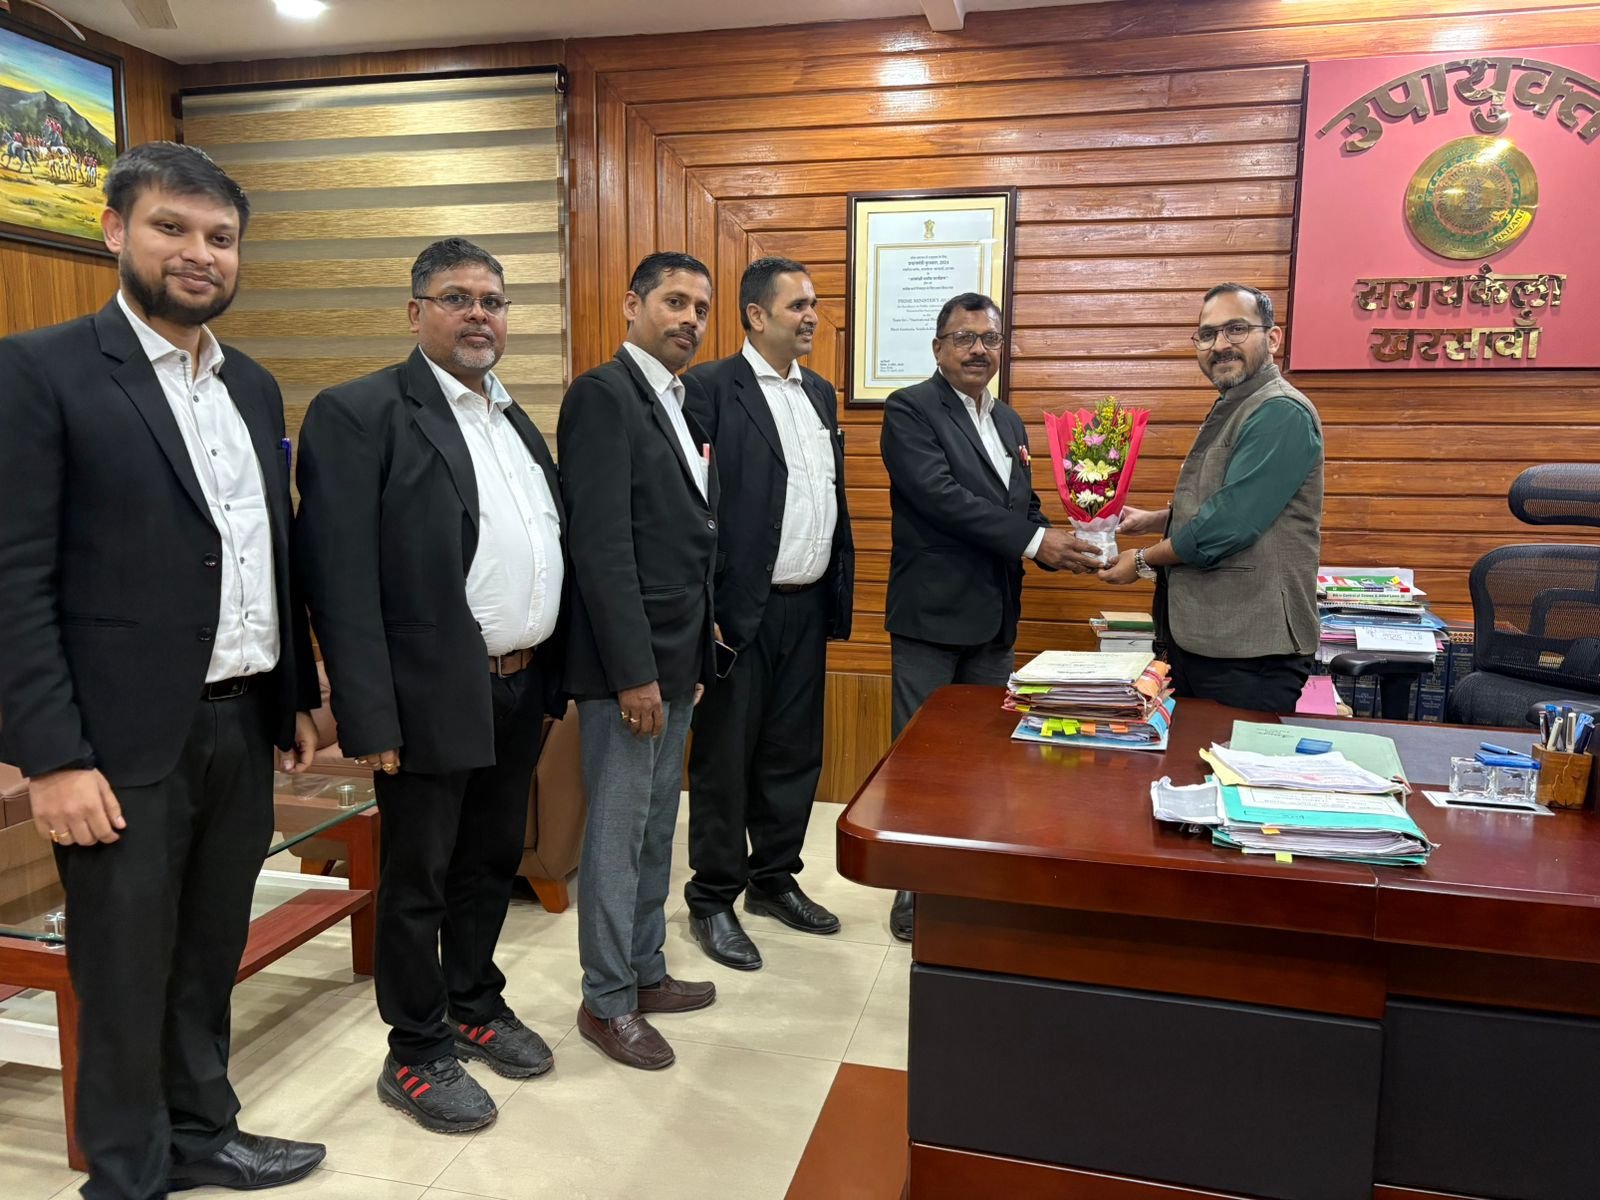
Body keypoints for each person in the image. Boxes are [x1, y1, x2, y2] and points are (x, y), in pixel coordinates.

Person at [0, 141, 324, 1199]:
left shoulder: (252, 385)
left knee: (207, 951)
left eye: (220, 237)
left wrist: (293, 693)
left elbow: (266, 551)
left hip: (238, 721)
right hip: (115, 743)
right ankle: (126, 1176)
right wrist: (52, 758)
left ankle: (200, 1133)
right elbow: (13, 578)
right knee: (124, 968)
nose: (199, 253)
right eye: (170, 228)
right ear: (114, 231)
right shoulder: (39, 371)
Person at [295, 238, 568, 1133]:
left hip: (517, 685)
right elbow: (337, 579)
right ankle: (415, 1049)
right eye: (457, 298)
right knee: (419, 878)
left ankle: (473, 1003)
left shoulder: (513, 420)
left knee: (489, 863)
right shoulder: (360, 412)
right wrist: (366, 714)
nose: (478, 313)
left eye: (493, 299)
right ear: (416, 314)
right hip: (423, 694)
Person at [879, 292, 1100, 940]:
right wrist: (1035, 542)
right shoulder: (909, 409)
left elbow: (1019, 507)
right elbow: (940, 497)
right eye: (964, 337)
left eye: (990, 339)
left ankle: (962, 878)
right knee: (920, 761)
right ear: (938, 348)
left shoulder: (1007, 420)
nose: (979, 349)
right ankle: (911, 887)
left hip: (995, 619)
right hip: (931, 617)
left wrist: (1069, 542)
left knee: (981, 758)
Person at [558, 252, 720, 1070]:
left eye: (700, 307)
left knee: (658, 827)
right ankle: (607, 999)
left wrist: (692, 656)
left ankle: (645, 970)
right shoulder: (603, 395)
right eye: (673, 301)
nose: (689, 318)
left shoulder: (679, 401)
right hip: (628, 667)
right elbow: (602, 545)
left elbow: (687, 538)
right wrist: (634, 673)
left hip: (675, 656)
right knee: (619, 837)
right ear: (632, 304)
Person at [680, 256, 854, 970]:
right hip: (737, 613)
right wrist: (707, 607)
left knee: (793, 752)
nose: (812, 316)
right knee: (726, 759)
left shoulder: (819, 392)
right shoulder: (709, 388)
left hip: (806, 605)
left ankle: (773, 879)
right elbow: (692, 506)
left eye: (813, 304)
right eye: (797, 306)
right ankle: (712, 897)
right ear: (756, 315)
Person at [1099, 282, 1323, 714]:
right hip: (1206, 640)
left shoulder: (1279, 411)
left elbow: (1228, 525)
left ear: (1273, 338)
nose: (1220, 345)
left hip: (1248, 650)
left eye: (1236, 329)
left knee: (1229, 756)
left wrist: (1142, 561)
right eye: (1207, 334)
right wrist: (1157, 519)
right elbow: (1231, 498)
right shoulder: (1237, 404)